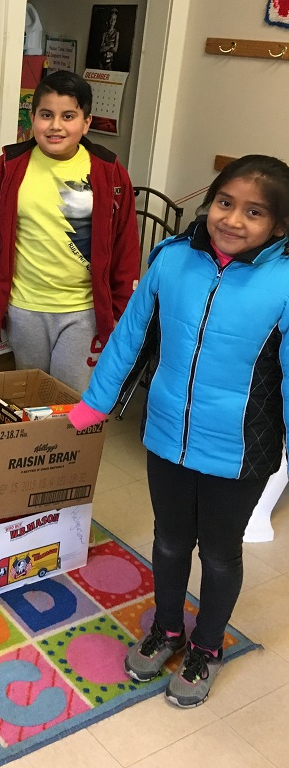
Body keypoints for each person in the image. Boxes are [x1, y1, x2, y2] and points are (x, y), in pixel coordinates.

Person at [69, 154, 289, 707]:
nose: (233, 220)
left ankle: (207, 646)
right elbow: (130, 337)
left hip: (240, 450)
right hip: (166, 435)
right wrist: (93, 405)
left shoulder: (284, 283)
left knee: (218, 553)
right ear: (208, 201)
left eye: (254, 212)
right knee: (168, 542)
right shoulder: (171, 261)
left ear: (279, 226)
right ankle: (168, 630)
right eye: (224, 202)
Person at [0, 69, 139, 393]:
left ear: (87, 122)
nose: (56, 126)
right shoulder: (7, 168)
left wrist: (120, 310)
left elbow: (125, 248)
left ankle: (69, 447)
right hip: (24, 308)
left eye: (69, 116)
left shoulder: (109, 171)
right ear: (32, 117)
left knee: (69, 400)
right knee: (31, 397)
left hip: (83, 311)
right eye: (46, 115)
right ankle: (34, 447)